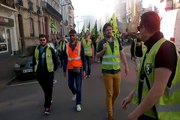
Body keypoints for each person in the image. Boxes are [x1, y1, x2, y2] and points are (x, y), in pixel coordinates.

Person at [121, 11, 180, 120]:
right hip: (148, 111)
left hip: (162, 115)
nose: (138, 32)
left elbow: (158, 89)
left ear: (143, 27)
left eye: (139, 28)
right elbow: (144, 80)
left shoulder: (164, 48)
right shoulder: (150, 49)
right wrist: (130, 96)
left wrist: (135, 114)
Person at [97, 23, 129, 120]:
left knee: (117, 92)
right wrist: (103, 50)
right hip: (107, 72)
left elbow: (121, 53)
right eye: (107, 30)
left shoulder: (116, 40)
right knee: (109, 93)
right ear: (104, 32)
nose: (109, 31)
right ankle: (110, 115)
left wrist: (126, 66)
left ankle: (110, 104)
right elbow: (97, 55)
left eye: (110, 29)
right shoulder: (101, 42)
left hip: (117, 71)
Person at [32, 34, 58, 115]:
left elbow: (56, 60)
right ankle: (49, 98)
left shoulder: (50, 49)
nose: (42, 41)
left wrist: (54, 69)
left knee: (48, 90)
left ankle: (47, 107)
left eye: (43, 40)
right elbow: (34, 60)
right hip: (40, 74)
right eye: (41, 40)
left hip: (49, 73)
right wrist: (34, 70)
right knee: (46, 90)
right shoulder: (36, 49)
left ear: (46, 40)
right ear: (39, 41)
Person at [63, 29, 86, 112]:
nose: (72, 37)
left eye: (74, 35)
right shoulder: (66, 45)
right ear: (69, 36)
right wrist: (64, 70)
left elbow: (83, 57)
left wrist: (84, 70)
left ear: (76, 36)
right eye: (71, 35)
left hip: (78, 69)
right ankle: (75, 93)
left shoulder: (80, 45)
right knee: (70, 85)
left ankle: (78, 104)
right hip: (70, 69)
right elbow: (65, 58)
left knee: (79, 87)